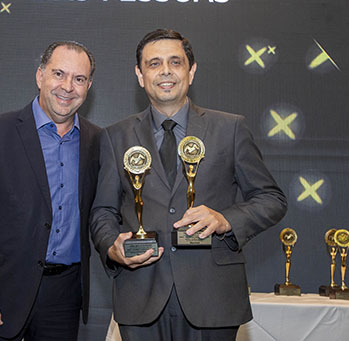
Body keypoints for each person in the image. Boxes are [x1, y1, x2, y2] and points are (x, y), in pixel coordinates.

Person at [90, 29, 287, 340]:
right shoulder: (115, 136)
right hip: (140, 297)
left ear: (191, 71)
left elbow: (272, 198)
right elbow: (103, 211)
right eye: (154, 64)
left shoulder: (230, 129)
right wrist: (111, 246)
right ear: (140, 75)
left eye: (175, 62)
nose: (165, 71)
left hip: (213, 298)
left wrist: (225, 220)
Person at [0, 41, 101, 340]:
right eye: (58, 74)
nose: (67, 87)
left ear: (88, 86)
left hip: (64, 297)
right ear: (40, 76)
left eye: (79, 78)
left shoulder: (98, 141)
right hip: (0, 294)